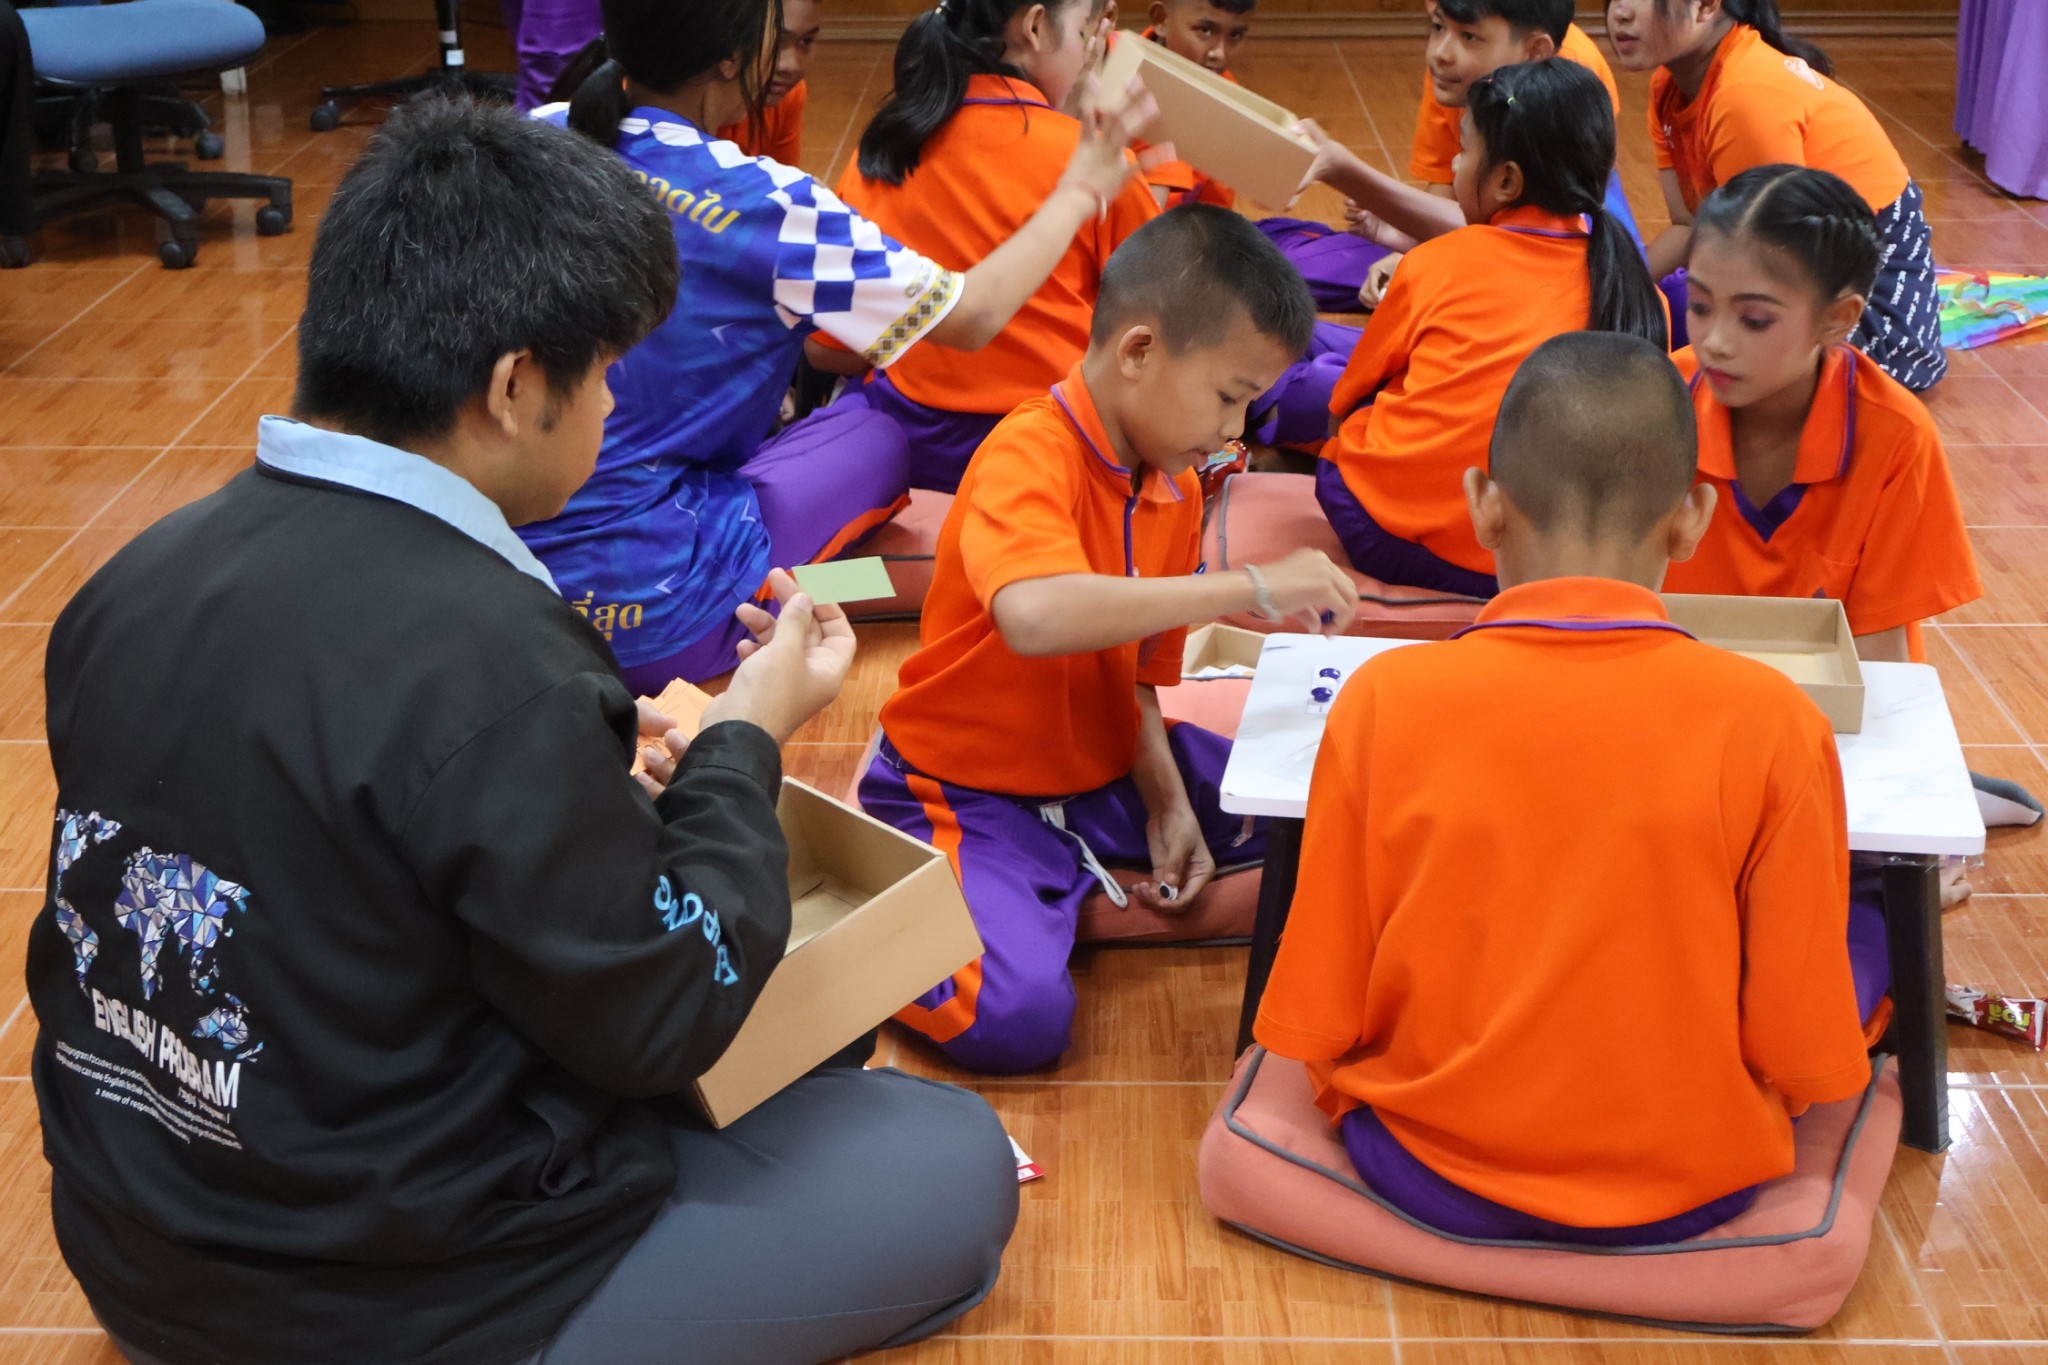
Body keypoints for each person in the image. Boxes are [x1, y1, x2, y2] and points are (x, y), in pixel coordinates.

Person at [30, 98, 1020, 1365]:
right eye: (604, 372)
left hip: (136, 1241)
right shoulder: (496, 657)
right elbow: (664, 1013)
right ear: (513, 388)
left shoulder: (136, 576)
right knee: (947, 1161)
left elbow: (338, 832)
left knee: (815, 1044)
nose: (610, 405)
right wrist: (744, 737)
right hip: (366, 1301)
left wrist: (587, 779)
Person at [1257, 330, 1873, 1246]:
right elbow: (1799, 1049)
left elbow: (1320, 1009)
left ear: (1482, 503)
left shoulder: (1384, 699)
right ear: (1693, 517)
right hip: (1691, 1179)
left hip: (1427, 1159)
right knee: (1872, 931)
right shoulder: (1776, 720)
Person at [857, 206, 1359, 1075]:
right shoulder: (1029, 451)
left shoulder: (1177, 486)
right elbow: (1034, 615)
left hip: (1101, 776)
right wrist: (1250, 586)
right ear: (1138, 352)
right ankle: (885, 902)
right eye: (1229, 396)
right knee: (1017, 1019)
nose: (1236, 430)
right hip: (966, 790)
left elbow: (1137, 680)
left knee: (1332, 802)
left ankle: (1055, 887)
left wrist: (1166, 803)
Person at [521, 0, 1153, 689]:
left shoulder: (532, 138)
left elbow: (830, 351)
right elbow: (972, 317)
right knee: (876, 445)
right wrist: (1080, 187)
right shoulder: (774, 206)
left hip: (509, 592)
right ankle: (852, 588)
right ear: (732, 57)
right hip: (670, 617)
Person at [1665, 163, 2041, 836]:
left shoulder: (1894, 437)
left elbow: (1879, 660)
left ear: (1838, 320)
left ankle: (1940, 786)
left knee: (1866, 868)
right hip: (1688, 700)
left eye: (1754, 318)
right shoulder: (1659, 403)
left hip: (1828, 717)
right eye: (1698, 306)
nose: (1715, 339)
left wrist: (1892, 817)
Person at [1316, 59, 1666, 598]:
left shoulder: (1439, 260)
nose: (1455, 164)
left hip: (1392, 539)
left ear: (1506, 181)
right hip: (1543, 561)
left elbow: (1343, 406)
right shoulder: (1644, 297)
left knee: (1354, 414)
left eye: (1463, 150)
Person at [823, 0, 1161, 492]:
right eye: (1084, 32)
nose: (1091, 51)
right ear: (1036, 26)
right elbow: (1163, 330)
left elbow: (829, 348)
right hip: (1049, 455)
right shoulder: (1100, 168)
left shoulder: (878, 152)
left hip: (908, 451)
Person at [1604, 0, 1946, 390]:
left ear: (1706, 6)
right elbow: (1688, 227)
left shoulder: (1743, 96)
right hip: (1779, 260)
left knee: (1679, 372)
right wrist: (1607, 291)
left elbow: (1772, 258)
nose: (1620, 13)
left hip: (1860, 286)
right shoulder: (1668, 86)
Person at [1332, 0, 1641, 311]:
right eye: (1437, 27)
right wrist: (1409, 244)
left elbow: (1529, 241)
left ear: (1535, 50)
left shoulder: (1567, 89)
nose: (1440, 53)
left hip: (1548, 283)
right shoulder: (1453, 75)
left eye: (1468, 36)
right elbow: (1446, 184)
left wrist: (1351, 176)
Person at [716, 0, 822, 163]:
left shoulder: (787, 94)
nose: (791, 66)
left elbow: (783, 175)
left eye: (806, 41)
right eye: (774, 41)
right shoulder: (682, 114)